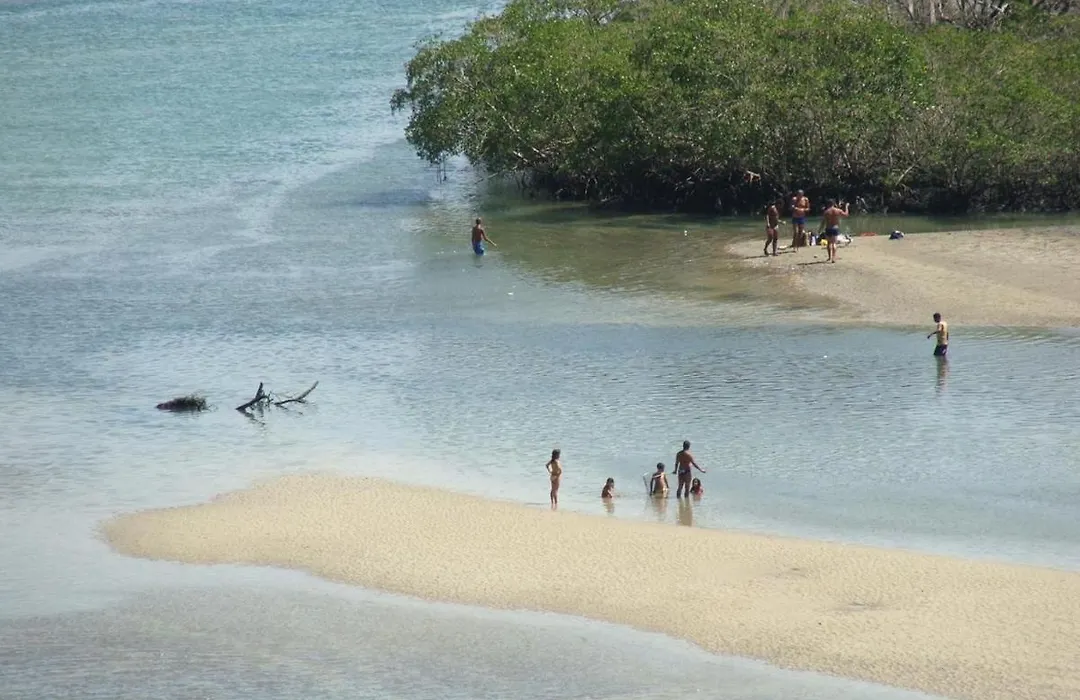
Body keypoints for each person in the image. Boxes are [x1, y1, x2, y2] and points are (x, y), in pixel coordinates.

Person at [820, 199, 849, 263]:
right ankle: (833, 258)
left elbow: (823, 222)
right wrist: (846, 207)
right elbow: (846, 215)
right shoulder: (838, 210)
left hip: (828, 228)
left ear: (828, 204)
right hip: (835, 228)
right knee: (834, 243)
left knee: (829, 243)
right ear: (834, 204)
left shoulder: (826, 212)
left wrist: (820, 229)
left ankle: (829, 257)